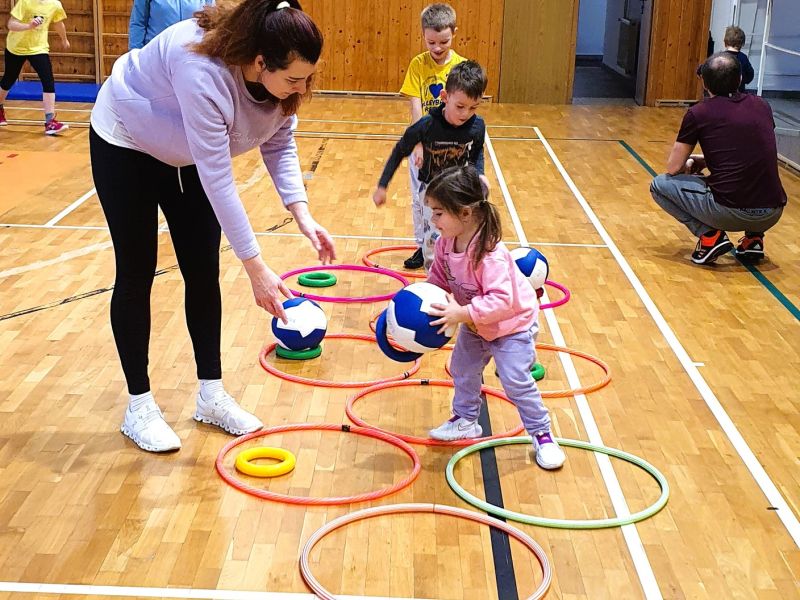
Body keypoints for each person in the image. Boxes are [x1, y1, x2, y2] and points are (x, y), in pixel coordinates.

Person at [89, 0, 336, 453]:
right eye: (294, 79)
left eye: (308, 77)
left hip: (183, 150)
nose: (302, 88)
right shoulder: (201, 70)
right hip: (126, 140)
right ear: (259, 62)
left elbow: (280, 141)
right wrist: (256, 268)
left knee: (203, 270)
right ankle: (139, 405)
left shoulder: (282, 82)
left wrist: (302, 213)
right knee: (137, 270)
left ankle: (211, 395)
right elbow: (218, 179)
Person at [424, 165, 565, 470]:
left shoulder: (490, 254)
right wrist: (420, 299)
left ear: (464, 213)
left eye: (438, 213)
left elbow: (502, 301)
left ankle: (542, 434)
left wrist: (461, 313)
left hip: (512, 325)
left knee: (515, 381)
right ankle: (466, 419)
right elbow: (438, 278)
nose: (433, 220)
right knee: (462, 368)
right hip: (476, 322)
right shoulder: (445, 242)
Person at [651, 52, 786, 264]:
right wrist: (707, 160)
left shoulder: (699, 113)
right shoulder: (762, 105)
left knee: (659, 185)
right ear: (740, 79)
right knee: (753, 179)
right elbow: (752, 150)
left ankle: (710, 237)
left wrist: (692, 163)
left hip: (729, 211)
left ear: (704, 83)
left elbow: (673, 167)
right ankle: (753, 239)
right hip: (772, 212)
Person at [374, 60, 488, 272]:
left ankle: (460, 278)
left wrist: (479, 174)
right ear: (444, 97)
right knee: (434, 240)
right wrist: (382, 185)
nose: (466, 114)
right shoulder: (426, 126)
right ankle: (433, 281)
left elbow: (477, 152)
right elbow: (400, 151)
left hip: (459, 190)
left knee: (462, 237)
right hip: (431, 191)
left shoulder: (477, 126)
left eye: (473, 107)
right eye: (460, 106)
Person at [398, 3, 465, 270]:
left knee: (450, 199)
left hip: (452, 147)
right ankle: (422, 245)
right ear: (423, 35)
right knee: (420, 199)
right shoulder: (418, 65)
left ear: (454, 33)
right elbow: (415, 105)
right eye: (431, 42)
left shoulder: (461, 68)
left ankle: (452, 246)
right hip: (423, 146)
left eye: (444, 42)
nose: (437, 48)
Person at [0, 0, 70, 133]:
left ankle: (50, 122)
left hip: (39, 48)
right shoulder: (25, 2)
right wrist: (29, 25)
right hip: (16, 47)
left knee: (48, 81)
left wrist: (64, 39)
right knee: (8, 80)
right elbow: (11, 24)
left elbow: (58, 23)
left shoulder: (55, 4)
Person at [128, 0, 213, 50]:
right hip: (156, 54)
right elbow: (138, 23)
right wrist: (135, 53)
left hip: (191, 54)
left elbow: (211, 22)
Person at [697, 26, 754, 94]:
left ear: (725, 42)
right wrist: (743, 80)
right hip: (738, 93)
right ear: (742, 44)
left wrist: (700, 71)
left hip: (720, 93)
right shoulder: (743, 58)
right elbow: (750, 75)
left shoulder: (719, 57)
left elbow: (705, 69)